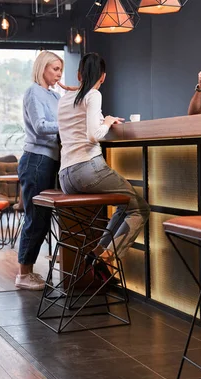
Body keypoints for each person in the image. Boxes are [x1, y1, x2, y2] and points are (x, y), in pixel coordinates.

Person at [57, 53, 150, 281]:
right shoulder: (93, 94)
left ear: (79, 75)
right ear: (104, 77)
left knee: (123, 204)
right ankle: (107, 260)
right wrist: (107, 121)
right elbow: (92, 136)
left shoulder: (64, 99)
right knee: (139, 208)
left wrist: (101, 120)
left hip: (65, 177)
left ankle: (98, 254)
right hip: (88, 169)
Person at [16, 51, 63, 291]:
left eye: (60, 70)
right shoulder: (34, 92)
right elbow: (40, 126)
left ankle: (29, 271)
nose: (58, 74)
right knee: (35, 218)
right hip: (35, 160)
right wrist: (67, 125)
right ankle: (23, 274)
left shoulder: (54, 96)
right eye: (55, 69)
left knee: (43, 220)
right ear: (42, 67)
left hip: (49, 160)